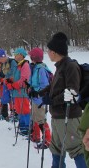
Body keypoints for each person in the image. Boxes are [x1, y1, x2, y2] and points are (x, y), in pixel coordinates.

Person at [37, 32, 86, 167]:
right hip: (57, 117)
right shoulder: (59, 66)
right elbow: (53, 87)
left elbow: (72, 91)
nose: (47, 53)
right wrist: (38, 93)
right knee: (57, 148)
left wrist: (52, 101)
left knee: (76, 149)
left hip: (69, 117)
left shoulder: (70, 66)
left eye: (49, 50)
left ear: (55, 52)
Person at [27, 47, 52, 149]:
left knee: (41, 119)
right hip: (34, 98)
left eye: (31, 56)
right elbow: (33, 82)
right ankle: (36, 136)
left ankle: (47, 140)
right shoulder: (34, 67)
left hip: (40, 100)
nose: (30, 57)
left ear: (34, 57)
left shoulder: (41, 69)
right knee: (34, 117)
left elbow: (44, 85)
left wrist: (36, 92)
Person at [5, 48, 31, 136]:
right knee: (19, 110)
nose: (15, 56)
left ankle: (27, 128)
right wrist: (9, 81)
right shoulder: (18, 65)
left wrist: (13, 85)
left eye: (16, 54)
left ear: (21, 55)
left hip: (22, 92)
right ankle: (22, 126)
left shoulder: (25, 65)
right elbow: (14, 76)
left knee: (25, 110)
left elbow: (24, 80)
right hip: (16, 93)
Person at [0, 49, 16, 121]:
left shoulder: (12, 62)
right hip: (6, 84)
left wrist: (7, 77)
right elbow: (2, 74)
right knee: (4, 98)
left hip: (12, 83)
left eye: (0, 58)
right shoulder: (3, 64)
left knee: (14, 99)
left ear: (4, 56)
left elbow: (14, 72)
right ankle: (4, 115)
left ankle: (15, 115)